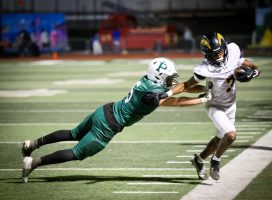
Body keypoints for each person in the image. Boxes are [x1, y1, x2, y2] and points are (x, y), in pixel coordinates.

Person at [21, 57, 211, 183]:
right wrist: (203, 99)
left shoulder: (149, 80)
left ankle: (33, 143)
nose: (171, 80)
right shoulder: (152, 94)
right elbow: (177, 101)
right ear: (160, 76)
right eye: (169, 77)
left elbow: (182, 86)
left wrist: (204, 88)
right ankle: (34, 162)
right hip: (107, 126)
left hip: (104, 110)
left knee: (73, 133)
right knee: (76, 153)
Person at [165, 32, 260, 180]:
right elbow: (186, 85)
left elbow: (251, 65)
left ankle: (199, 159)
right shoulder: (205, 69)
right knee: (231, 135)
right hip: (215, 104)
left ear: (225, 48)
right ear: (207, 55)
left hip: (230, 104)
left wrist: (254, 72)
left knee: (219, 139)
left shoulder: (233, 51)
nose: (219, 56)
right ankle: (215, 161)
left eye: (221, 52)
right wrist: (168, 93)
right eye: (214, 54)